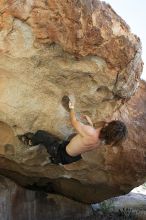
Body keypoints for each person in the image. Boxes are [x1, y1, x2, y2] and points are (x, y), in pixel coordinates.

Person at [18, 99, 128, 165]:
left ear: (108, 125)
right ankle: (55, 161)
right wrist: (90, 123)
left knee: (41, 134)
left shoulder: (90, 132)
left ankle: (31, 142)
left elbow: (74, 121)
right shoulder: (102, 140)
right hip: (72, 158)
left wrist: (72, 108)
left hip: (61, 153)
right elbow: (94, 133)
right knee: (61, 142)